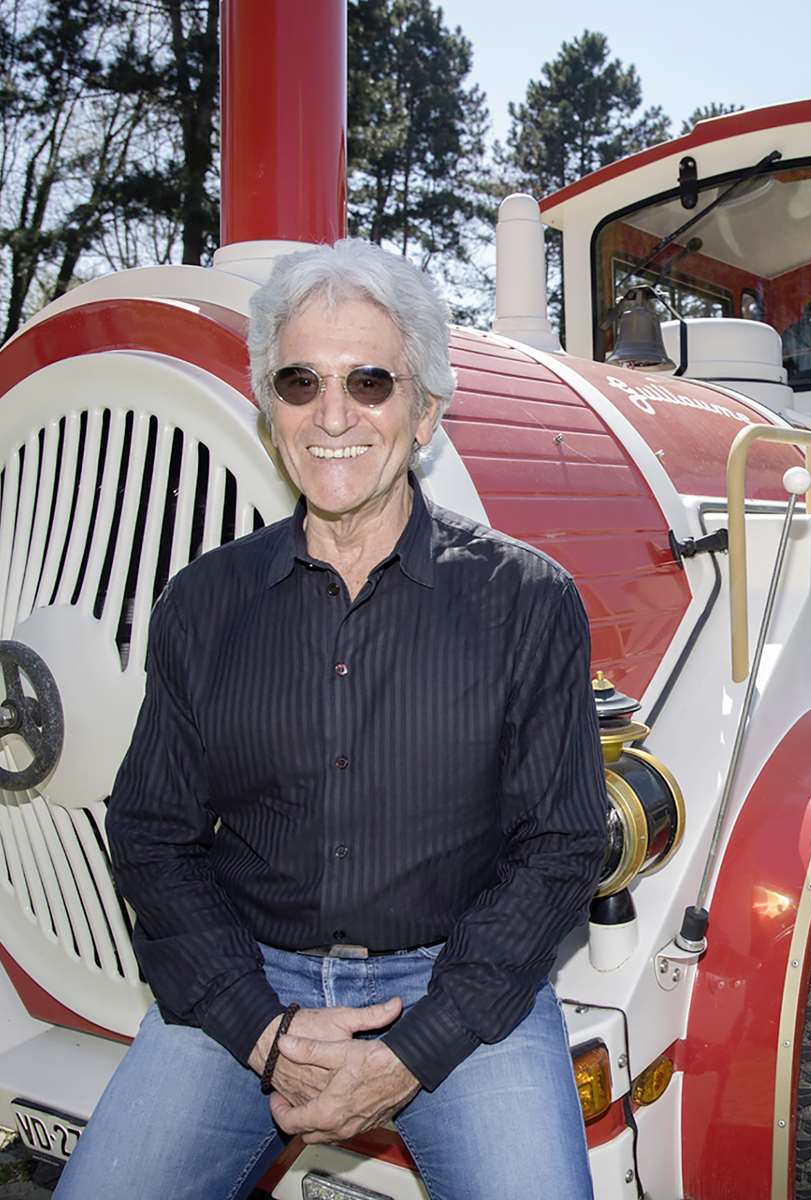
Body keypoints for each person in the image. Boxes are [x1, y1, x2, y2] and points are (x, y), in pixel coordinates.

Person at [55, 239, 607, 1200]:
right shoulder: (202, 604)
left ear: (425, 410)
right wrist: (262, 1032)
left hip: (460, 986)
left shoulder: (529, 600)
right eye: (301, 382)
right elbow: (152, 834)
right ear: (271, 414)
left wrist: (413, 1051)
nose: (335, 415)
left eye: (370, 381)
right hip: (247, 983)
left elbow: (561, 846)